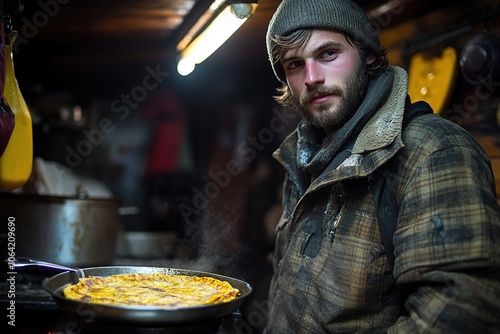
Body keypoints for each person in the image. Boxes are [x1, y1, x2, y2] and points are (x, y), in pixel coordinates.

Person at [263, 0, 500, 332]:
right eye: (294, 64)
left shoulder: (432, 149)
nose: (312, 77)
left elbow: (459, 314)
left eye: (328, 53)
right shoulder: (302, 159)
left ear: (368, 54)